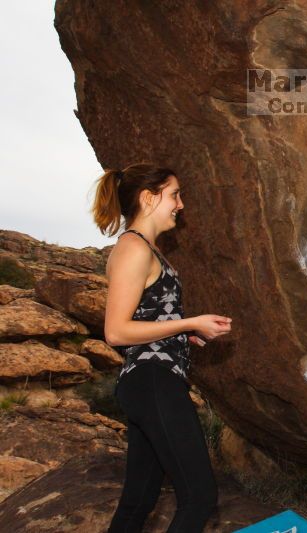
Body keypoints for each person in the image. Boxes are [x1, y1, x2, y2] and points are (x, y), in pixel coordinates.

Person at [93, 164, 232, 532]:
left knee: (138, 502)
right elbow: (116, 331)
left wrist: (184, 336)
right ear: (148, 198)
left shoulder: (148, 249)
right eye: (174, 194)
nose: (180, 204)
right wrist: (187, 323)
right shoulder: (133, 247)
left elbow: (147, 317)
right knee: (199, 497)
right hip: (153, 381)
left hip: (151, 380)